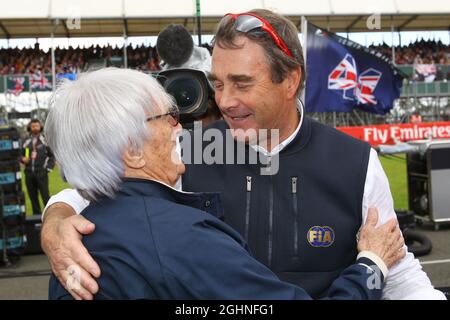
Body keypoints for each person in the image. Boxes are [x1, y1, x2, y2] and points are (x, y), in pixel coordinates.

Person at [41, 9, 446, 300]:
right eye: (217, 83)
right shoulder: (189, 148)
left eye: (242, 83)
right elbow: (103, 183)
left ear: (290, 80)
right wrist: (56, 221)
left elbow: (398, 268)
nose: (225, 100)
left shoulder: (354, 161)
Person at [21, 118, 55, 215]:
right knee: (33, 197)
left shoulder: (45, 140)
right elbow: (20, 155)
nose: (35, 128)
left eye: (37, 126)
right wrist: (23, 159)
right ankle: (37, 219)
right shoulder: (26, 141)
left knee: (45, 196)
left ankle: (49, 216)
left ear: (40, 127)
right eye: (33, 126)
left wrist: (48, 168)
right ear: (29, 127)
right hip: (28, 174)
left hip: (41, 173)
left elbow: (52, 155)